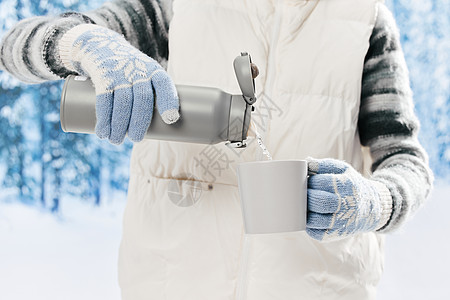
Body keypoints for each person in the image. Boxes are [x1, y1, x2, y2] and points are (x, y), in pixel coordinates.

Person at [0, 0, 434, 299]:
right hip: (174, 284)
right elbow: (14, 48)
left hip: (319, 285)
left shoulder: (364, 18)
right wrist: (87, 44)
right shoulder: (178, 7)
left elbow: (404, 159)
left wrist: (372, 202)